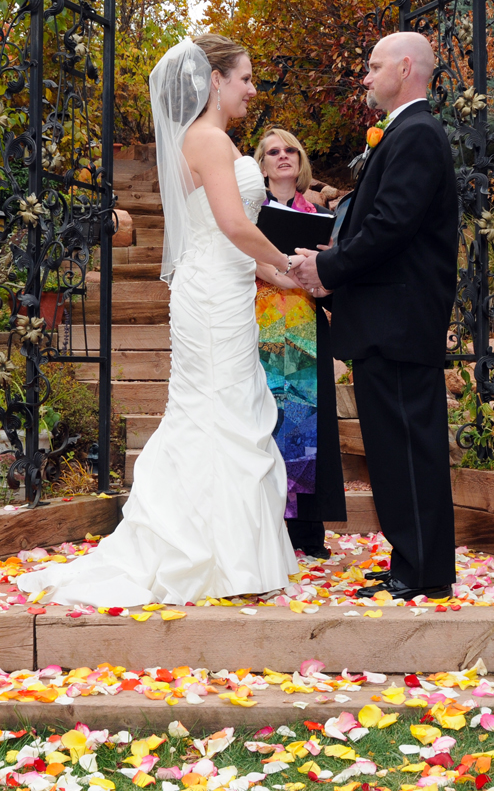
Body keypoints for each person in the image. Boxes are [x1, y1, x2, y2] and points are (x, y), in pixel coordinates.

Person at [18, 34, 302, 606]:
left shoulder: (197, 140)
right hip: (213, 297)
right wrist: (289, 259)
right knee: (222, 413)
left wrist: (275, 277)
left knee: (217, 410)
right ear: (215, 80)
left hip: (218, 286)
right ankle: (227, 562)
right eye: (245, 77)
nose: (252, 89)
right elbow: (232, 225)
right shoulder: (210, 141)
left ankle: (225, 556)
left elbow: (221, 237)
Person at [295, 31, 458, 601]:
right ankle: (411, 560)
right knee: (395, 447)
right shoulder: (408, 132)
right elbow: (380, 225)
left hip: (398, 320)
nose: (365, 76)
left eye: (373, 66)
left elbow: (390, 226)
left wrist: (329, 269)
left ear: (405, 68)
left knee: (408, 446)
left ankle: (423, 572)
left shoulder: (416, 133)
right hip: (390, 319)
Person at [254, 127, 346, 559]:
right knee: (270, 418)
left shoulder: (317, 211)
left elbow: (332, 263)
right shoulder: (251, 210)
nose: (283, 156)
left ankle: (308, 530)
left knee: (308, 421)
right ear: (263, 164)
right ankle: (270, 526)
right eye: (274, 151)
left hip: (308, 323)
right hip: (263, 321)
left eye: (291, 148)